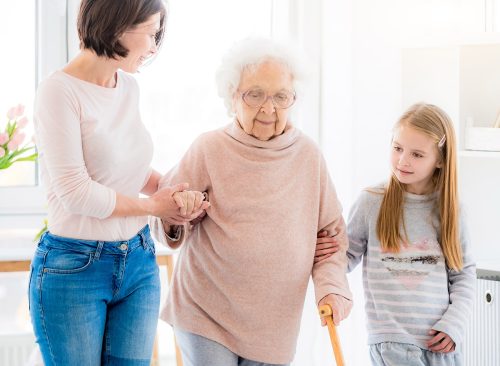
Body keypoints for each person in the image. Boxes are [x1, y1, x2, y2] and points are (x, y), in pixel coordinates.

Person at [149, 37, 353, 366]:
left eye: (280, 96)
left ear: (294, 99)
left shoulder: (308, 157)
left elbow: (330, 238)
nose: (268, 108)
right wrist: (179, 214)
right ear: (233, 96)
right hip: (206, 313)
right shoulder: (209, 148)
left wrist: (331, 288)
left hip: (274, 326)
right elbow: (161, 218)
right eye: (255, 94)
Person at [29, 1, 207, 365]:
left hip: (138, 261)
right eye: (151, 33)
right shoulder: (58, 92)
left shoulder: (127, 87)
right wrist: (152, 206)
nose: (154, 47)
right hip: (74, 267)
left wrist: (172, 194)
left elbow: (129, 171)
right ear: (119, 23)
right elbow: (76, 192)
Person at [345, 103, 475, 365]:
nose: (403, 160)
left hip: (441, 344)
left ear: (440, 159)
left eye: (417, 154)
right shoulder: (371, 202)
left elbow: (463, 273)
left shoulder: (450, 210)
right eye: (397, 148)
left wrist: (454, 324)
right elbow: (345, 256)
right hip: (392, 343)